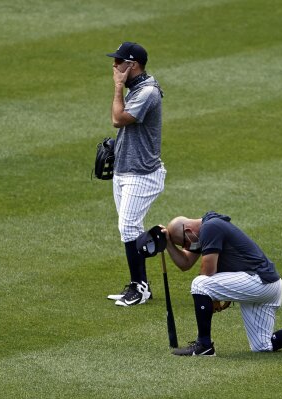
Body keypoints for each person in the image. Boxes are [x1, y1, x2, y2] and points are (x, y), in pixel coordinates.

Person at [161, 211, 282, 356]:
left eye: (183, 243)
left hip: (259, 280)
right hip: (268, 285)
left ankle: (204, 345)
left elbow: (208, 272)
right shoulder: (204, 231)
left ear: (189, 231)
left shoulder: (210, 228)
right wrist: (169, 244)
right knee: (262, 346)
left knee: (200, 283)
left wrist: (214, 296)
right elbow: (185, 264)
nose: (187, 248)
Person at [104, 41, 166, 307]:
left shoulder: (148, 92)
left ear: (133, 65)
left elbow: (118, 119)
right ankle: (141, 286)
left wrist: (118, 86)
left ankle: (139, 289)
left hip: (142, 174)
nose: (114, 66)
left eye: (119, 62)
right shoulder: (138, 89)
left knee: (128, 227)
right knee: (130, 229)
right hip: (125, 170)